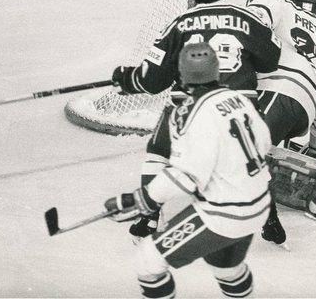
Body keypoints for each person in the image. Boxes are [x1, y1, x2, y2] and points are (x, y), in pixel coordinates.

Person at [112, 0, 280, 240]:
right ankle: (269, 217)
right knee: (251, 154)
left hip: (191, 106)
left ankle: (149, 217)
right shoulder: (248, 18)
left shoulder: (179, 23)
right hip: (239, 105)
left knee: (159, 150)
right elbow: (271, 60)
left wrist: (128, 79)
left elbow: (153, 80)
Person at [103, 42, 273, 298]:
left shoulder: (191, 112)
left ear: (182, 75)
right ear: (217, 71)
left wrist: (141, 200)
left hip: (223, 214)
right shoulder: (238, 99)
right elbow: (264, 143)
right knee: (226, 268)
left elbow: (185, 176)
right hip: (259, 206)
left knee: (149, 261)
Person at [246, 0, 316, 244]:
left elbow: (252, 20)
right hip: (304, 111)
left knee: (244, 153)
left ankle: (267, 216)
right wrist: (315, 152)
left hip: (277, 91)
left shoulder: (279, 0)